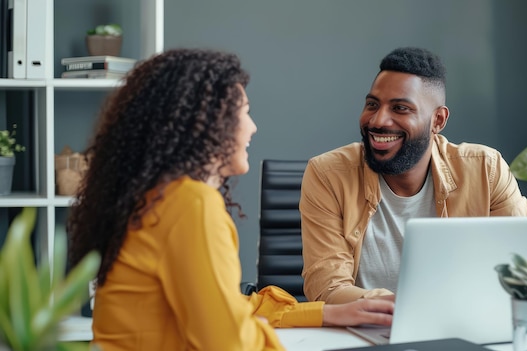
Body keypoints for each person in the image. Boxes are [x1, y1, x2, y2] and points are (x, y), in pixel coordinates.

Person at [67, 48, 393, 351]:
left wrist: (327, 314)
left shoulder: (153, 199)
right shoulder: (189, 204)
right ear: (204, 124)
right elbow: (229, 343)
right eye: (244, 113)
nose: (252, 127)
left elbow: (228, 306)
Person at [300, 47, 527, 304]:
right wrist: (410, 309)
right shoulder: (328, 174)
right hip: (365, 333)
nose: (378, 120)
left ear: (438, 120)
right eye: (372, 105)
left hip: (462, 328)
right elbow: (327, 289)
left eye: (400, 108)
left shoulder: (486, 170)